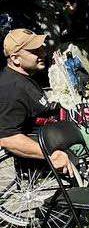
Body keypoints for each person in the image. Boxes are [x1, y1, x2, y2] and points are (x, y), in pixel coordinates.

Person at [0, 29, 74, 176]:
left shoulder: (24, 78)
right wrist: (50, 155)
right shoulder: (11, 89)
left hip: (54, 133)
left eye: (41, 49)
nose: (43, 54)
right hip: (49, 145)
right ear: (15, 58)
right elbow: (8, 138)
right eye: (34, 51)